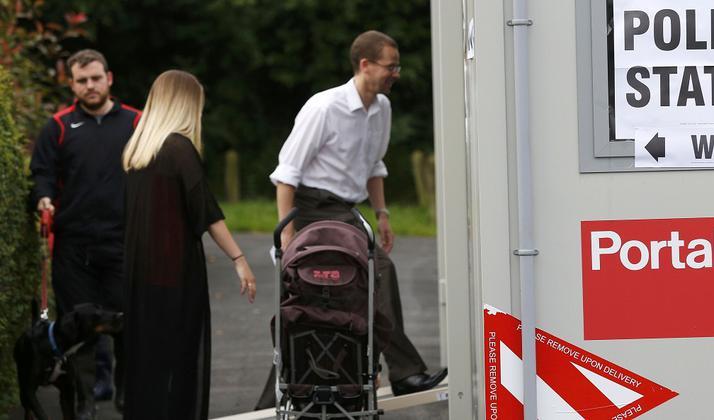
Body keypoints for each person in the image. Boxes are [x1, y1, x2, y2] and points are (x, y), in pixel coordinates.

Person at [270, 30, 447, 396]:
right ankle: (403, 373)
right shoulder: (324, 107)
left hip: (346, 210)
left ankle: (345, 376)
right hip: (313, 208)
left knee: (347, 290)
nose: (396, 73)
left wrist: (381, 214)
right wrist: (286, 237)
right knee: (376, 274)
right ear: (365, 65)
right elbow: (286, 174)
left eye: (397, 66)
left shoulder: (382, 108)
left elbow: (374, 165)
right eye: (390, 66)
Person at [121, 70, 256, 419]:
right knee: (178, 364)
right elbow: (207, 212)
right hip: (175, 276)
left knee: (148, 362)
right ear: (185, 105)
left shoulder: (139, 150)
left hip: (142, 275)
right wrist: (239, 258)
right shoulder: (179, 149)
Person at [30, 49, 140, 418]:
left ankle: (127, 395)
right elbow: (41, 172)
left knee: (126, 324)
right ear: (72, 84)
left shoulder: (137, 123)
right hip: (73, 246)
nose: (89, 86)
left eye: (95, 78)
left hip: (122, 243)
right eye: (81, 80)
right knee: (78, 330)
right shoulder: (58, 126)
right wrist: (43, 198)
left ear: (109, 78)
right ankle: (85, 402)